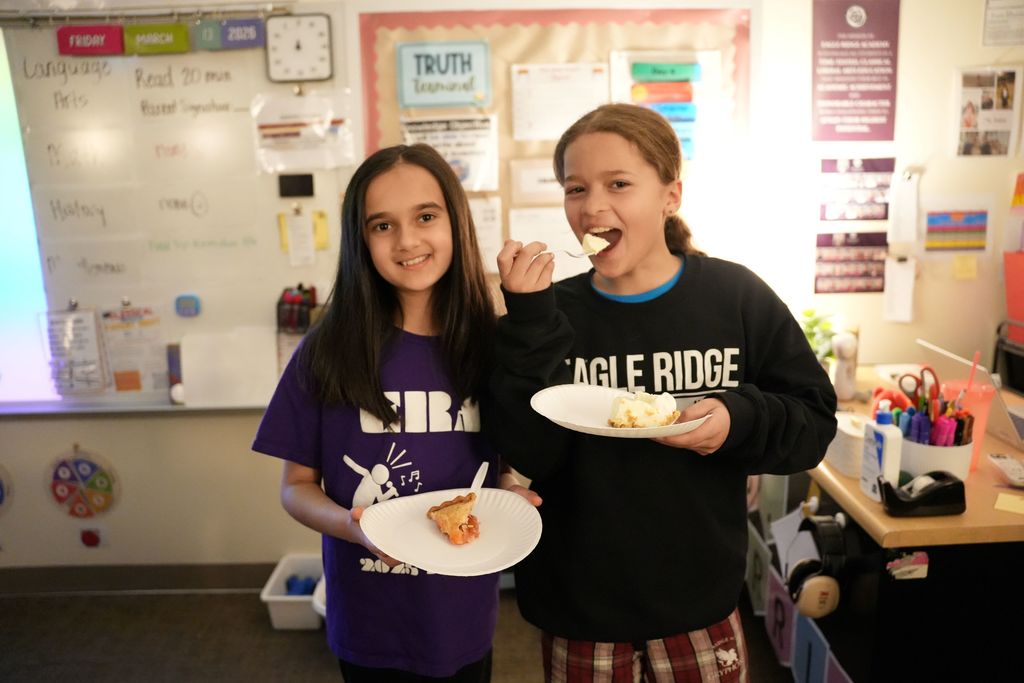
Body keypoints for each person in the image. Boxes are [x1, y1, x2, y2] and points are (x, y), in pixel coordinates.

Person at [485, 103, 838, 681]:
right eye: (576, 188)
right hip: (580, 604)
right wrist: (525, 322)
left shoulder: (736, 297)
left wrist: (736, 419)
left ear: (671, 195)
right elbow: (528, 452)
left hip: (699, 602)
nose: (593, 206)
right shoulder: (549, 316)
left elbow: (814, 423)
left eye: (619, 183)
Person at [253, 143, 538, 682]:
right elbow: (295, 487)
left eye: (426, 217)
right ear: (360, 240)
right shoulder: (328, 349)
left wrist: (510, 493)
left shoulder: (493, 345)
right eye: (382, 225)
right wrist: (352, 526)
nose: (407, 240)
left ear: (455, 222)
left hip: (462, 614)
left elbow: (503, 463)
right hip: (369, 620)